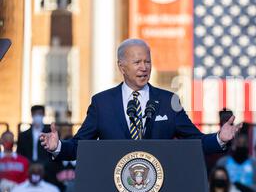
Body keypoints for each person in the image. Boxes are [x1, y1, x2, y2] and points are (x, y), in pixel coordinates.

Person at [39, 39, 241, 160]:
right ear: (122, 67)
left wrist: (219, 138)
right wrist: (58, 146)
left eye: (147, 62)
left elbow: (195, 142)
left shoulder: (169, 101)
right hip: (115, 191)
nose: (144, 67)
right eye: (137, 62)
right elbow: (79, 146)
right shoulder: (102, 103)